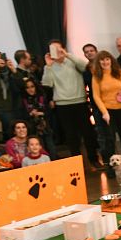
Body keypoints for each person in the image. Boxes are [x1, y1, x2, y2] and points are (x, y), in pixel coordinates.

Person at [41, 40, 100, 168]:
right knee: (71, 136)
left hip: (80, 102)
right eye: (53, 49)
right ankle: (77, 163)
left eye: (58, 48)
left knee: (88, 133)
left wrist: (67, 55)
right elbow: (47, 83)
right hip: (62, 105)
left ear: (63, 48)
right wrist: (48, 66)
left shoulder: (72, 61)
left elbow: (85, 66)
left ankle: (94, 159)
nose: (56, 51)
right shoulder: (50, 66)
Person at [91, 50, 121, 159]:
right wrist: (104, 112)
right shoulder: (96, 76)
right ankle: (112, 164)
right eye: (102, 60)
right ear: (98, 62)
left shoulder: (120, 73)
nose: (105, 62)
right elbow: (96, 96)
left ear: (111, 60)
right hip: (107, 111)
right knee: (110, 139)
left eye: (107, 59)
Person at [20, 78, 57, 160]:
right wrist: (30, 114)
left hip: (45, 126)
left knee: (51, 147)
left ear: (35, 87)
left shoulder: (42, 97)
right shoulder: (23, 100)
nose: (30, 89)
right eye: (27, 87)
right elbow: (21, 115)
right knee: (39, 148)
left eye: (32, 86)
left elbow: (49, 111)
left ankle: (54, 162)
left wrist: (41, 113)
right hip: (32, 128)